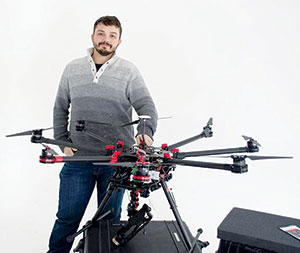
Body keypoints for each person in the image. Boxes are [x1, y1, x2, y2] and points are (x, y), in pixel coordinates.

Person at [48, 16, 158, 253]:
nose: (106, 40)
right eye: (101, 33)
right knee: (67, 220)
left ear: (119, 41)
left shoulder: (129, 71)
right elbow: (60, 107)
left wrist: (145, 133)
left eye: (112, 36)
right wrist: (62, 142)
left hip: (116, 162)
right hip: (78, 159)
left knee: (110, 222)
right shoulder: (72, 68)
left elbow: (147, 107)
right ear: (92, 36)